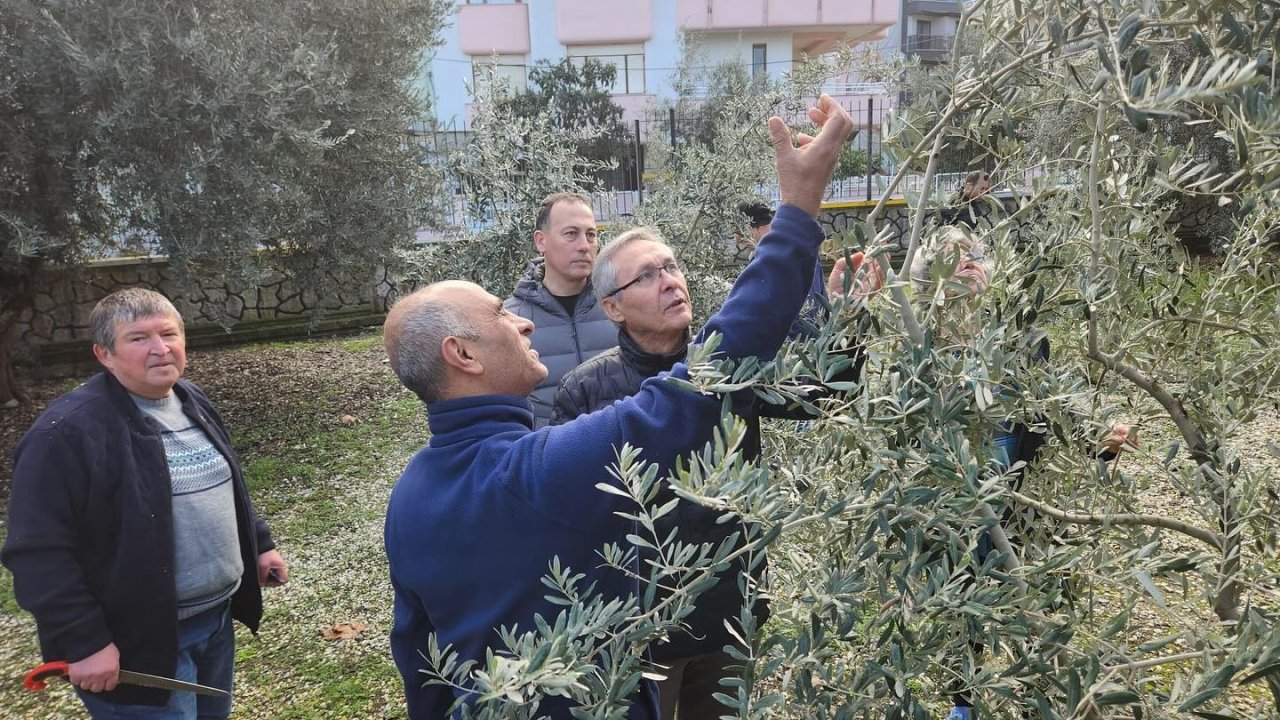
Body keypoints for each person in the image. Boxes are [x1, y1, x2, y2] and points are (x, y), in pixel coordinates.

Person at [383, 95, 856, 720]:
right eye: (499, 314)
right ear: (462, 354)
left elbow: (420, 659)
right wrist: (796, 213)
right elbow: (706, 376)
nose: (521, 323)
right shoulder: (538, 473)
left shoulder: (408, 497)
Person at [550, 228, 877, 720]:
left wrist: (847, 318)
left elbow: (823, 394)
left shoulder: (731, 365)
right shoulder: (585, 391)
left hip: (728, 607)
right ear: (613, 308)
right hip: (637, 624)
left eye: (670, 267)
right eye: (647, 276)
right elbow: (566, 511)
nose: (669, 282)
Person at [2, 288, 288, 720]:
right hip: (137, 643)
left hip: (215, 622)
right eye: (138, 338)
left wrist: (260, 543)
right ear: (104, 354)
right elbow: (37, 552)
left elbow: (229, 483)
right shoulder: (65, 434)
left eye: (169, 333)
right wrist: (84, 642)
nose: (160, 349)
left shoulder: (190, 399)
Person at [910, 228, 1133, 720]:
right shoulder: (920, 350)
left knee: (1032, 601)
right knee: (959, 604)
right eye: (952, 257)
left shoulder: (1026, 341)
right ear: (931, 278)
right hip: (955, 507)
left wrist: (1103, 442)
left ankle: (1039, 697)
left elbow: (1058, 414)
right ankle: (962, 703)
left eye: (974, 255)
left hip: (1021, 500)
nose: (967, 263)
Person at [504, 192, 618, 428]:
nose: (584, 246)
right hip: (546, 458)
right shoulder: (511, 320)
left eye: (591, 235)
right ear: (540, 241)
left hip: (622, 458)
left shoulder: (620, 307)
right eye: (571, 234)